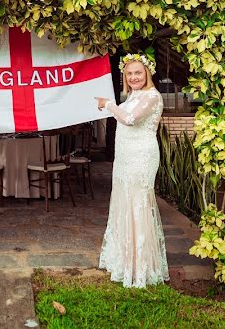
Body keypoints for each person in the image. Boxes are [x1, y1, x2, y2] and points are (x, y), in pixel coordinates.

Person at [94, 53, 169, 288]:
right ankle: (126, 260)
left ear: (147, 72)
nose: (134, 77)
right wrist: (109, 106)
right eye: (129, 73)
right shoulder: (133, 95)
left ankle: (140, 267)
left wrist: (108, 104)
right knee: (124, 203)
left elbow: (129, 120)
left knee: (138, 205)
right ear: (124, 76)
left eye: (138, 72)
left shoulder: (152, 97)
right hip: (125, 157)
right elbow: (124, 114)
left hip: (142, 157)